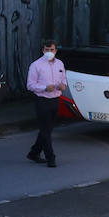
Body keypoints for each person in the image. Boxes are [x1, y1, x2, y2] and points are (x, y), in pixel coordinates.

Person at [26, 39, 67, 167]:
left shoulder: (60, 64)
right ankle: (51, 158)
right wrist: (44, 88)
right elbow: (30, 85)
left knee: (48, 129)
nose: (49, 52)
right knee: (45, 130)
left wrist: (63, 86)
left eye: (52, 50)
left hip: (55, 99)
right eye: (47, 50)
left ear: (56, 50)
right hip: (42, 100)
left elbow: (64, 79)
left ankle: (34, 152)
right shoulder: (36, 65)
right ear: (43, 50)